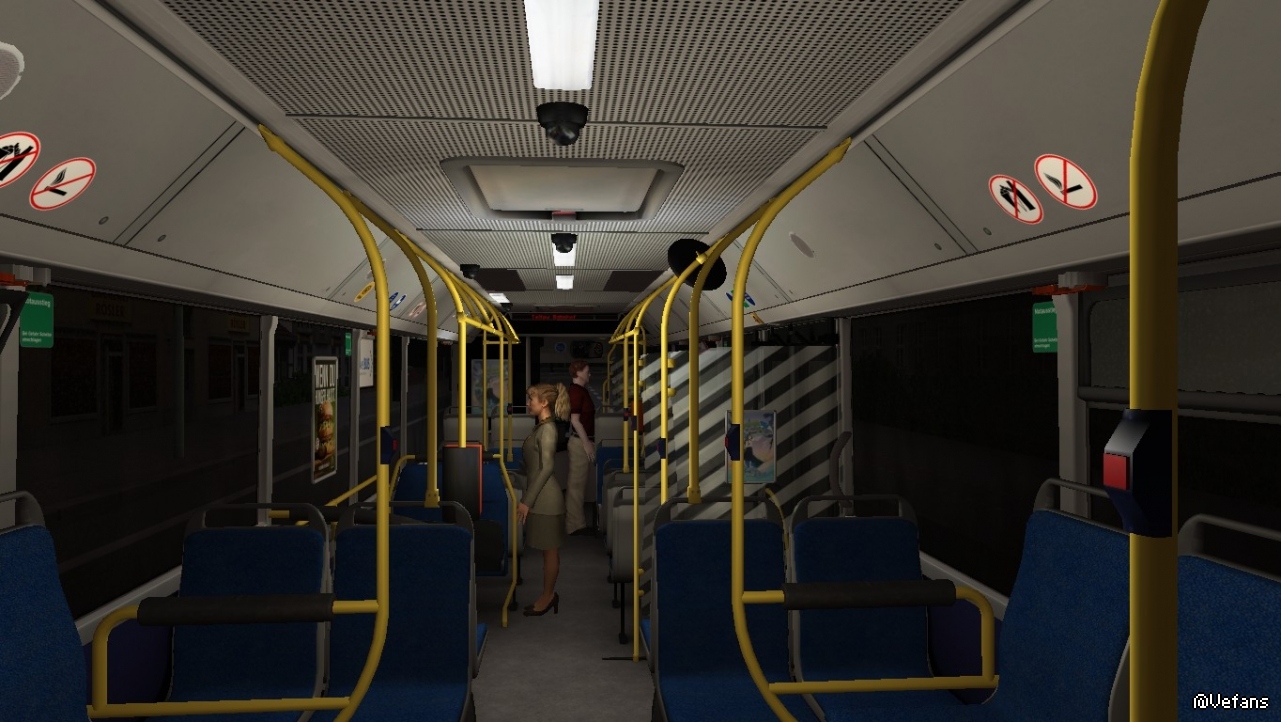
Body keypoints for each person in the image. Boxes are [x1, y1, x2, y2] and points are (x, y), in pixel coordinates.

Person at [518, 383, 569, 616]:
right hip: (540, 497)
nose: (528, 403)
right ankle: (547, 594)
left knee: (550, 551)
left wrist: (527, 501)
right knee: (546, 551)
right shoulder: (542, 428)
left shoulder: (547, 430)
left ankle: (548, 596)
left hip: (546, 499)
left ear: (544, 403)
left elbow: (547, 468)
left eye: (532, 399)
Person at [565, 359, 596, 535]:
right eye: (586, 371)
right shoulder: (576, 392)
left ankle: (578, 523)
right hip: (580, 442)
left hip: (582, 441)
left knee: (580, 484)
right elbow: (575, 421)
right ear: (578, 373)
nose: (589, 374)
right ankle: (574, 525)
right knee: (576, 486)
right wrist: (587, 444)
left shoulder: (580, 391)